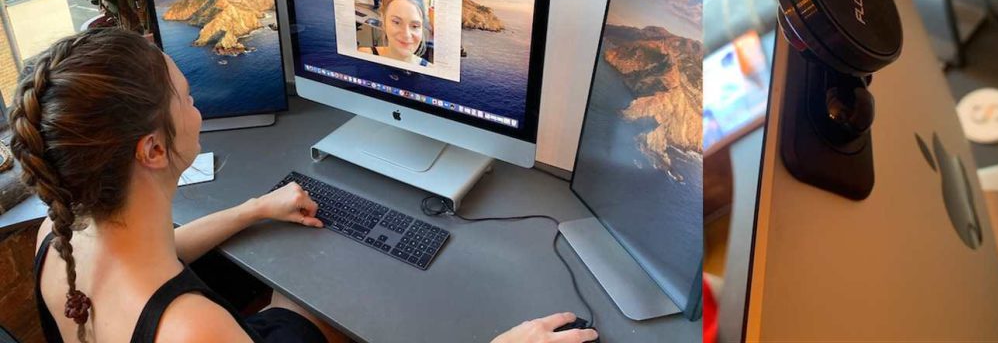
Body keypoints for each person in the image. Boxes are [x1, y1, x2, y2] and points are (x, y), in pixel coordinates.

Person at [7, 29, 598, 343]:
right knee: (323, 304)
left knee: (295, 295)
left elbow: (162, 259)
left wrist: (254, 209)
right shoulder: (191, 330)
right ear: (154, 150)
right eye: (187, 100)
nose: (198, 111)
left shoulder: (55, 236)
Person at [358, 0, 432, 67]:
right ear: (383, 19)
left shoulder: (431, 72)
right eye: (396, 22)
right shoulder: (366, 57)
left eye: (415, 26)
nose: (406, 35)